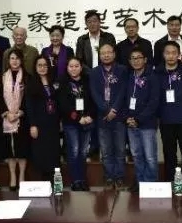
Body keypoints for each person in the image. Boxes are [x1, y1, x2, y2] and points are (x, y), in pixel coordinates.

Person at [155, 41, 182, 192]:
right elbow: (154, 97)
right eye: (168, 53)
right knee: (169, 152)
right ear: (163, 54)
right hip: (166, 119)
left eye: (174, 53)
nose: (171, 56)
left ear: (179, 55)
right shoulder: (157, 72)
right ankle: (171, 180)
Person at [89, 43, 128, 189]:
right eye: (103, 53)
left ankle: (119, 177)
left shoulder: (122, 70)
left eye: (109, 52)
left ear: (114, 54)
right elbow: (94, 93)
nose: (106, 55)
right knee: (106, 151)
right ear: (99, 55)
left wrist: (114, 110)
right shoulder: (94, 72)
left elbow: (123, 91)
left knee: (120, 150)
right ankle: (109, 177)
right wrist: (106, 110)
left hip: (119, 116)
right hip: (102, 117)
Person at [56, 57, 96, 191]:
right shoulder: (63, 82)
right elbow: (63, 105)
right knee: (74, 151)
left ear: (81, 67)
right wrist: (78, 118)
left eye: (76, 66)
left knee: (83, 152)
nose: (74, 69)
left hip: (86, 121)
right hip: (71, 122)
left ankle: (82, 179)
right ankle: (75, 180)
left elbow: (93, 100)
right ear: (67, 68)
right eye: (71, 66)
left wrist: (90, 116)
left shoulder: (87, 80)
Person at [122, 48, 160, 190]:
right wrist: (127, 118)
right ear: (129, 61)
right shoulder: (129, 77)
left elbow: (154, 102)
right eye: (133, 58)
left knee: (150, 156)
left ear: (145, 60)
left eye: (139, 57)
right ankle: (140, 182)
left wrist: (138, 119)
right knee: (137, 155)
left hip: (147, 123)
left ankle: (150, 185)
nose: (136, 61)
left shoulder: (152, 77)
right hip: (130, 123)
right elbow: (124, 100)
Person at [0, 49, 30, 190]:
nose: (14, 61)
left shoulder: (27, 77)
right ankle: (13, 177)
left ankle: (21, 176)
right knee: (9, 150)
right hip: (7, 119)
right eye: (12, 58)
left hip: (22, 118)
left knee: (22, 148)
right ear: (8, 61)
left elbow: (29, 98)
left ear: (21, 60)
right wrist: (6, 113)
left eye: (17, 58)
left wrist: (19, 112)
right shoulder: (3, 77)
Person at [26, 56, 62, 181]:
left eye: (45, 65)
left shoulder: (54, 81)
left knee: (54, 152)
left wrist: (60, 120)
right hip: (39, 124)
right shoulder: (31, 84)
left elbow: (59, 102)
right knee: (42, 153)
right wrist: (33, 125)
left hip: (53, 123)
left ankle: (55, 182)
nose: (42, 68)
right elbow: (29, 106)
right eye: (39, 65)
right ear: (35, 67)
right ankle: (44, 182)